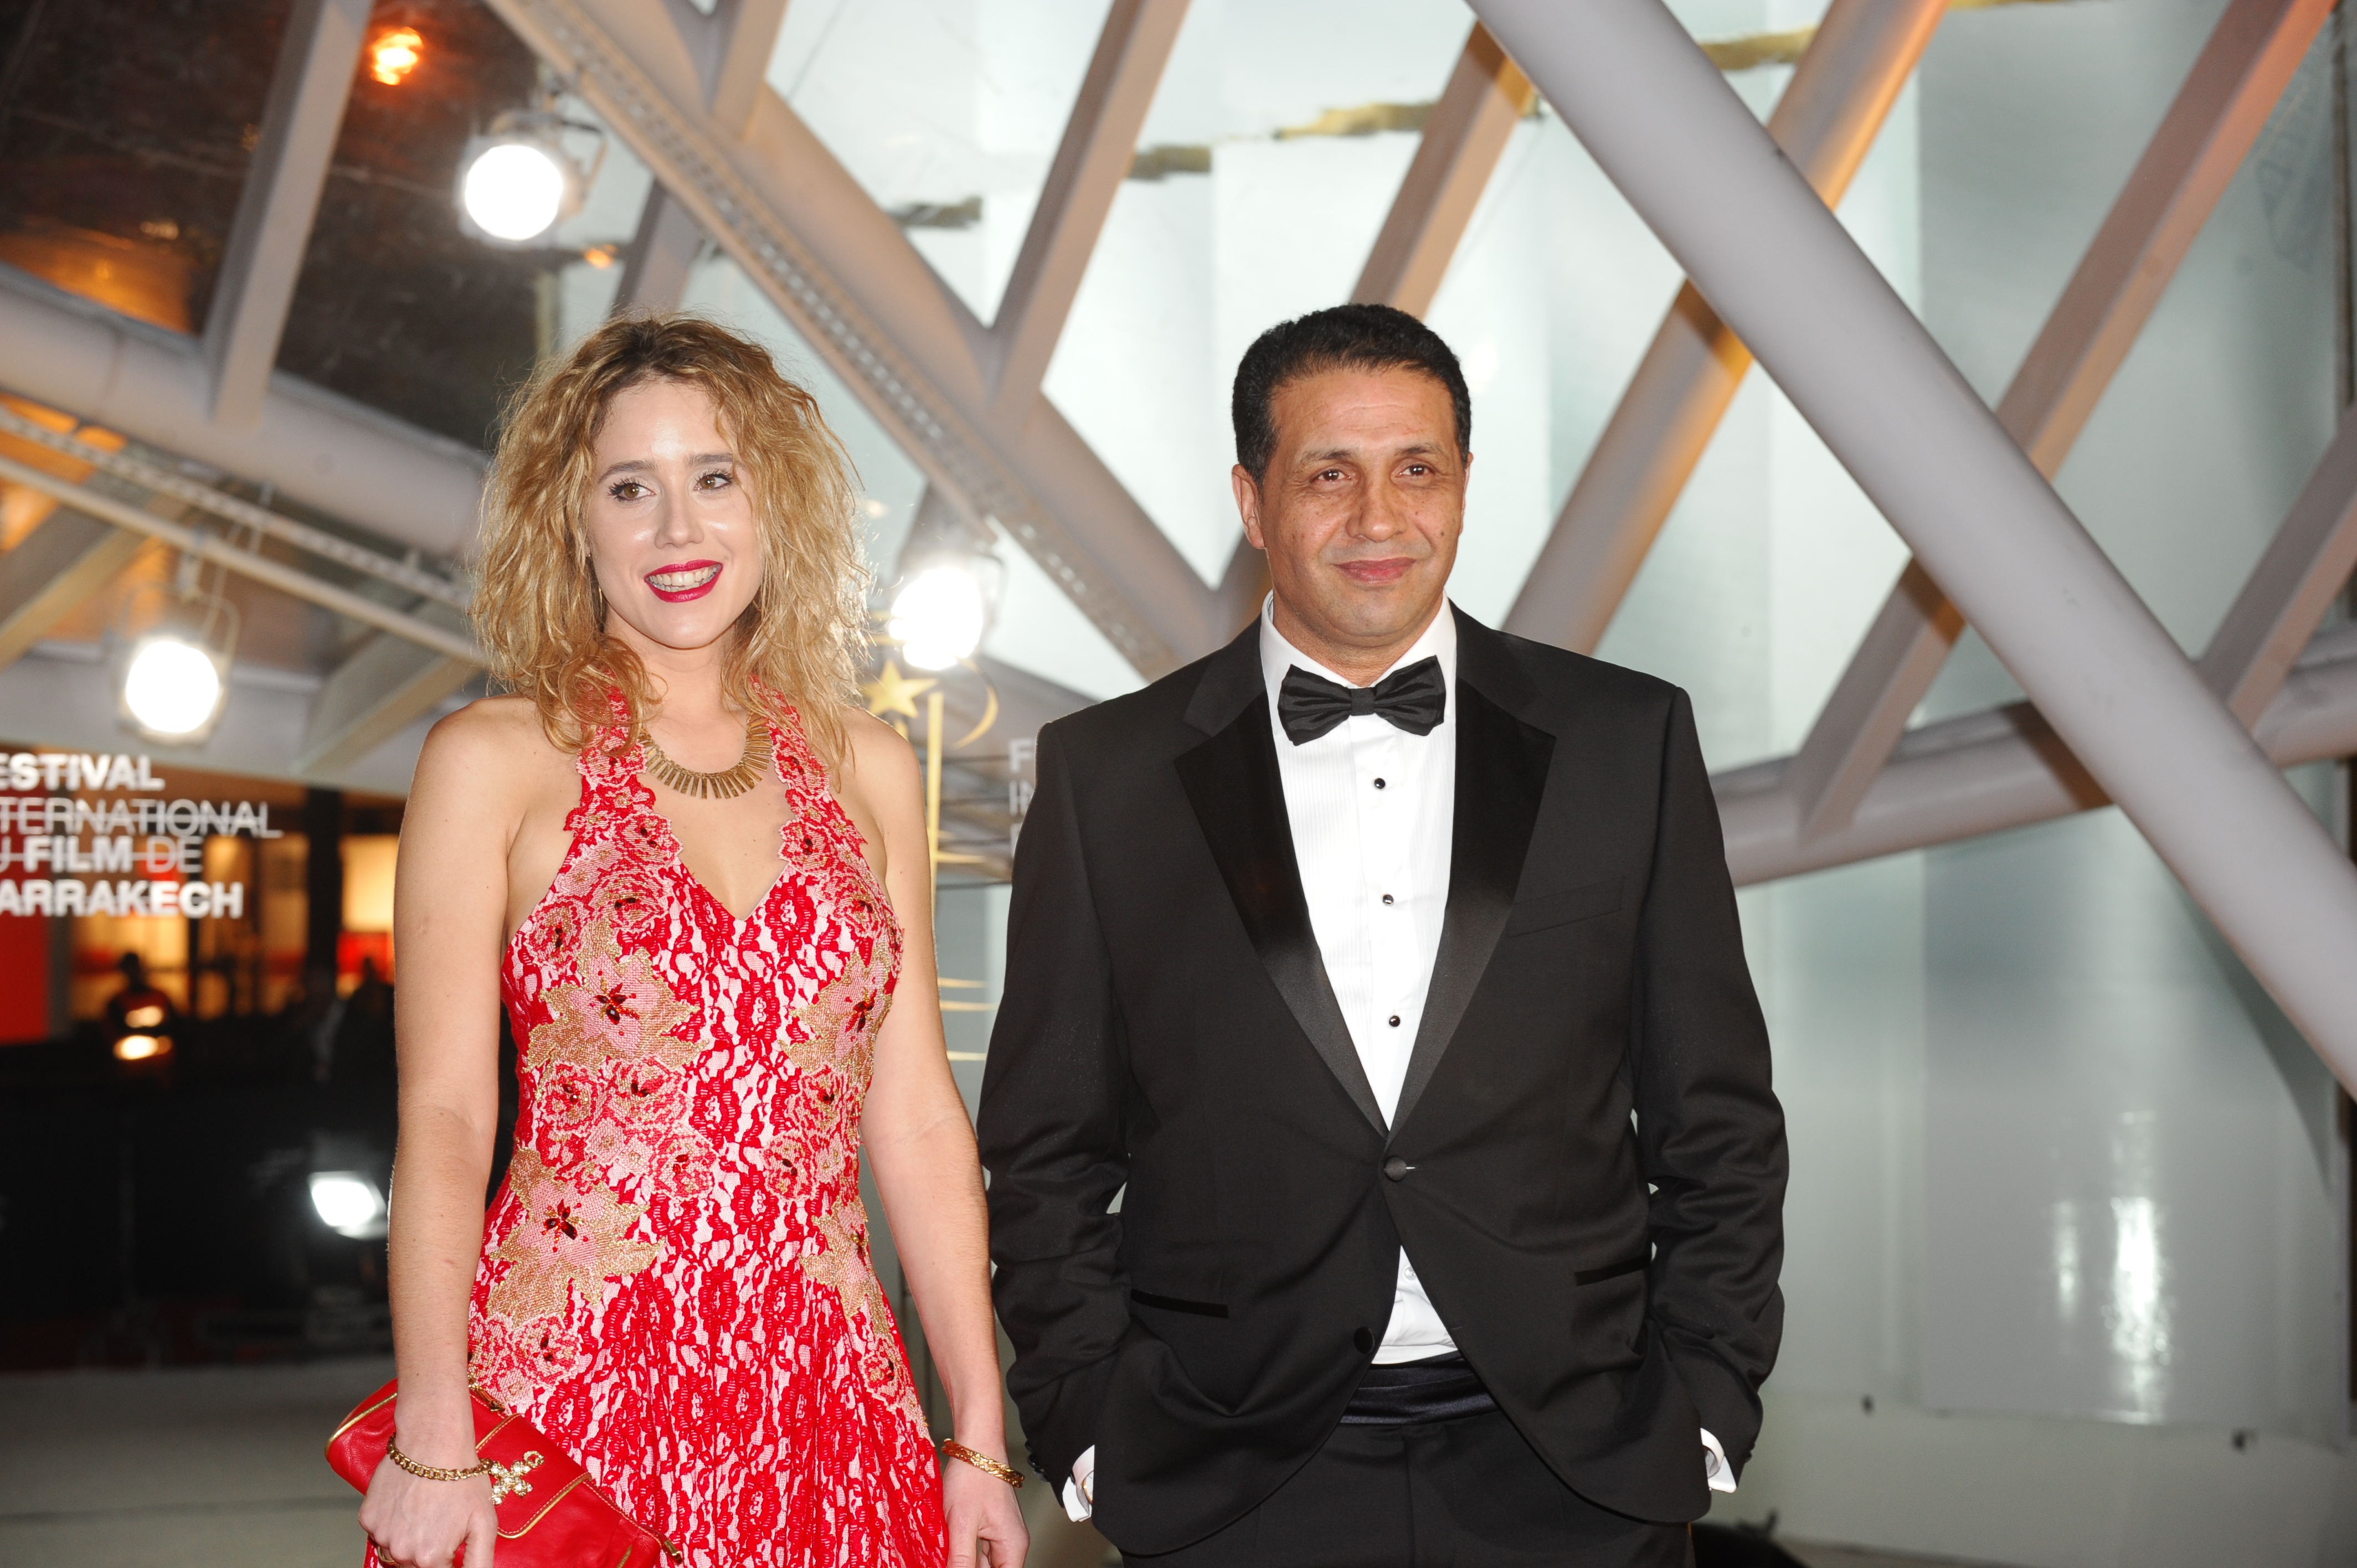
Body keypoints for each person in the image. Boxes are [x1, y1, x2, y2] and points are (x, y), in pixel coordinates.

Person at [977, 303, 1785, 1566]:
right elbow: (1044, 1152)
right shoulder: (1105, 776)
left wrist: (1706, 1398)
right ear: (1252, 502)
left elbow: (1717, 1116)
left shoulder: (1627, 741)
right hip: (1229, 1472)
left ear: (1463, 485)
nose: (1378, 518)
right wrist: (1089, 1422)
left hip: (1580, 1466)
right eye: (1328, 475)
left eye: (1417, 469)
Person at [360, 315, 1027, 1568]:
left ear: (774, 502)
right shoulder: (491, 759)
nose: (678, 530)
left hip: (832, 1408)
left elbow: (918, 1119)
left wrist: (978, 1436)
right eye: (630, 488)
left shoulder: (871, 767)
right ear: (573, 523)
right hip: (571, 1395)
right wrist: (436, 1432)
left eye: (715, 477)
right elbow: (445, 1116)